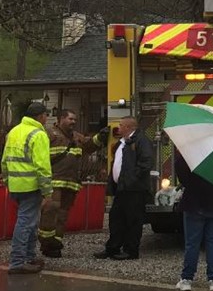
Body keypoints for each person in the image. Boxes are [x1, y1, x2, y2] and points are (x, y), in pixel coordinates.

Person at [38, 110, 109, 258]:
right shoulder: (48, 134)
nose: (73, 122)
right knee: (51, 211)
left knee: (62, 215)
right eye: (70, 119)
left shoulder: (76, 137)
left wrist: (100, 137)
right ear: (61, 119)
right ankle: (47, 242)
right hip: (54, 181)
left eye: (75, 119)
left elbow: (88, 147)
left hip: (70, 183)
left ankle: (56, 243)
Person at [2, 102, 53, 275]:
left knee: (30, 222)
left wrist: (7, 180)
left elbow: (4, 160)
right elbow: (42, 166)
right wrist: (47, 191)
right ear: (40, 117)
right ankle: (17, 262)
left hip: (15, 185)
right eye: (46, 115)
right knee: (25, 223)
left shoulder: (14, 131)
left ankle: (29, 257)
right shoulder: (38, 134)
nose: (47, 118)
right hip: (30, 186)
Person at [94, 116, 154, 261]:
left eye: (121, 125)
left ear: (128, 127)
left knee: (133, 220)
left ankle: (131, 250)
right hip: (122, 188)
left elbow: (146, 162)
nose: (118, 128)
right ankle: (112, 248)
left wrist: (132, 179)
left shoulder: (141, 141)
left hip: (134, 189)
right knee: (116, 219)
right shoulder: (123, 142)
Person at [173, 152, 213, 291]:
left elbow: (180, 169)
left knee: (192, 243)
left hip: (195, 202)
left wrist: (190, 183)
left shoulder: (194, 150)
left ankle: (186, 280)